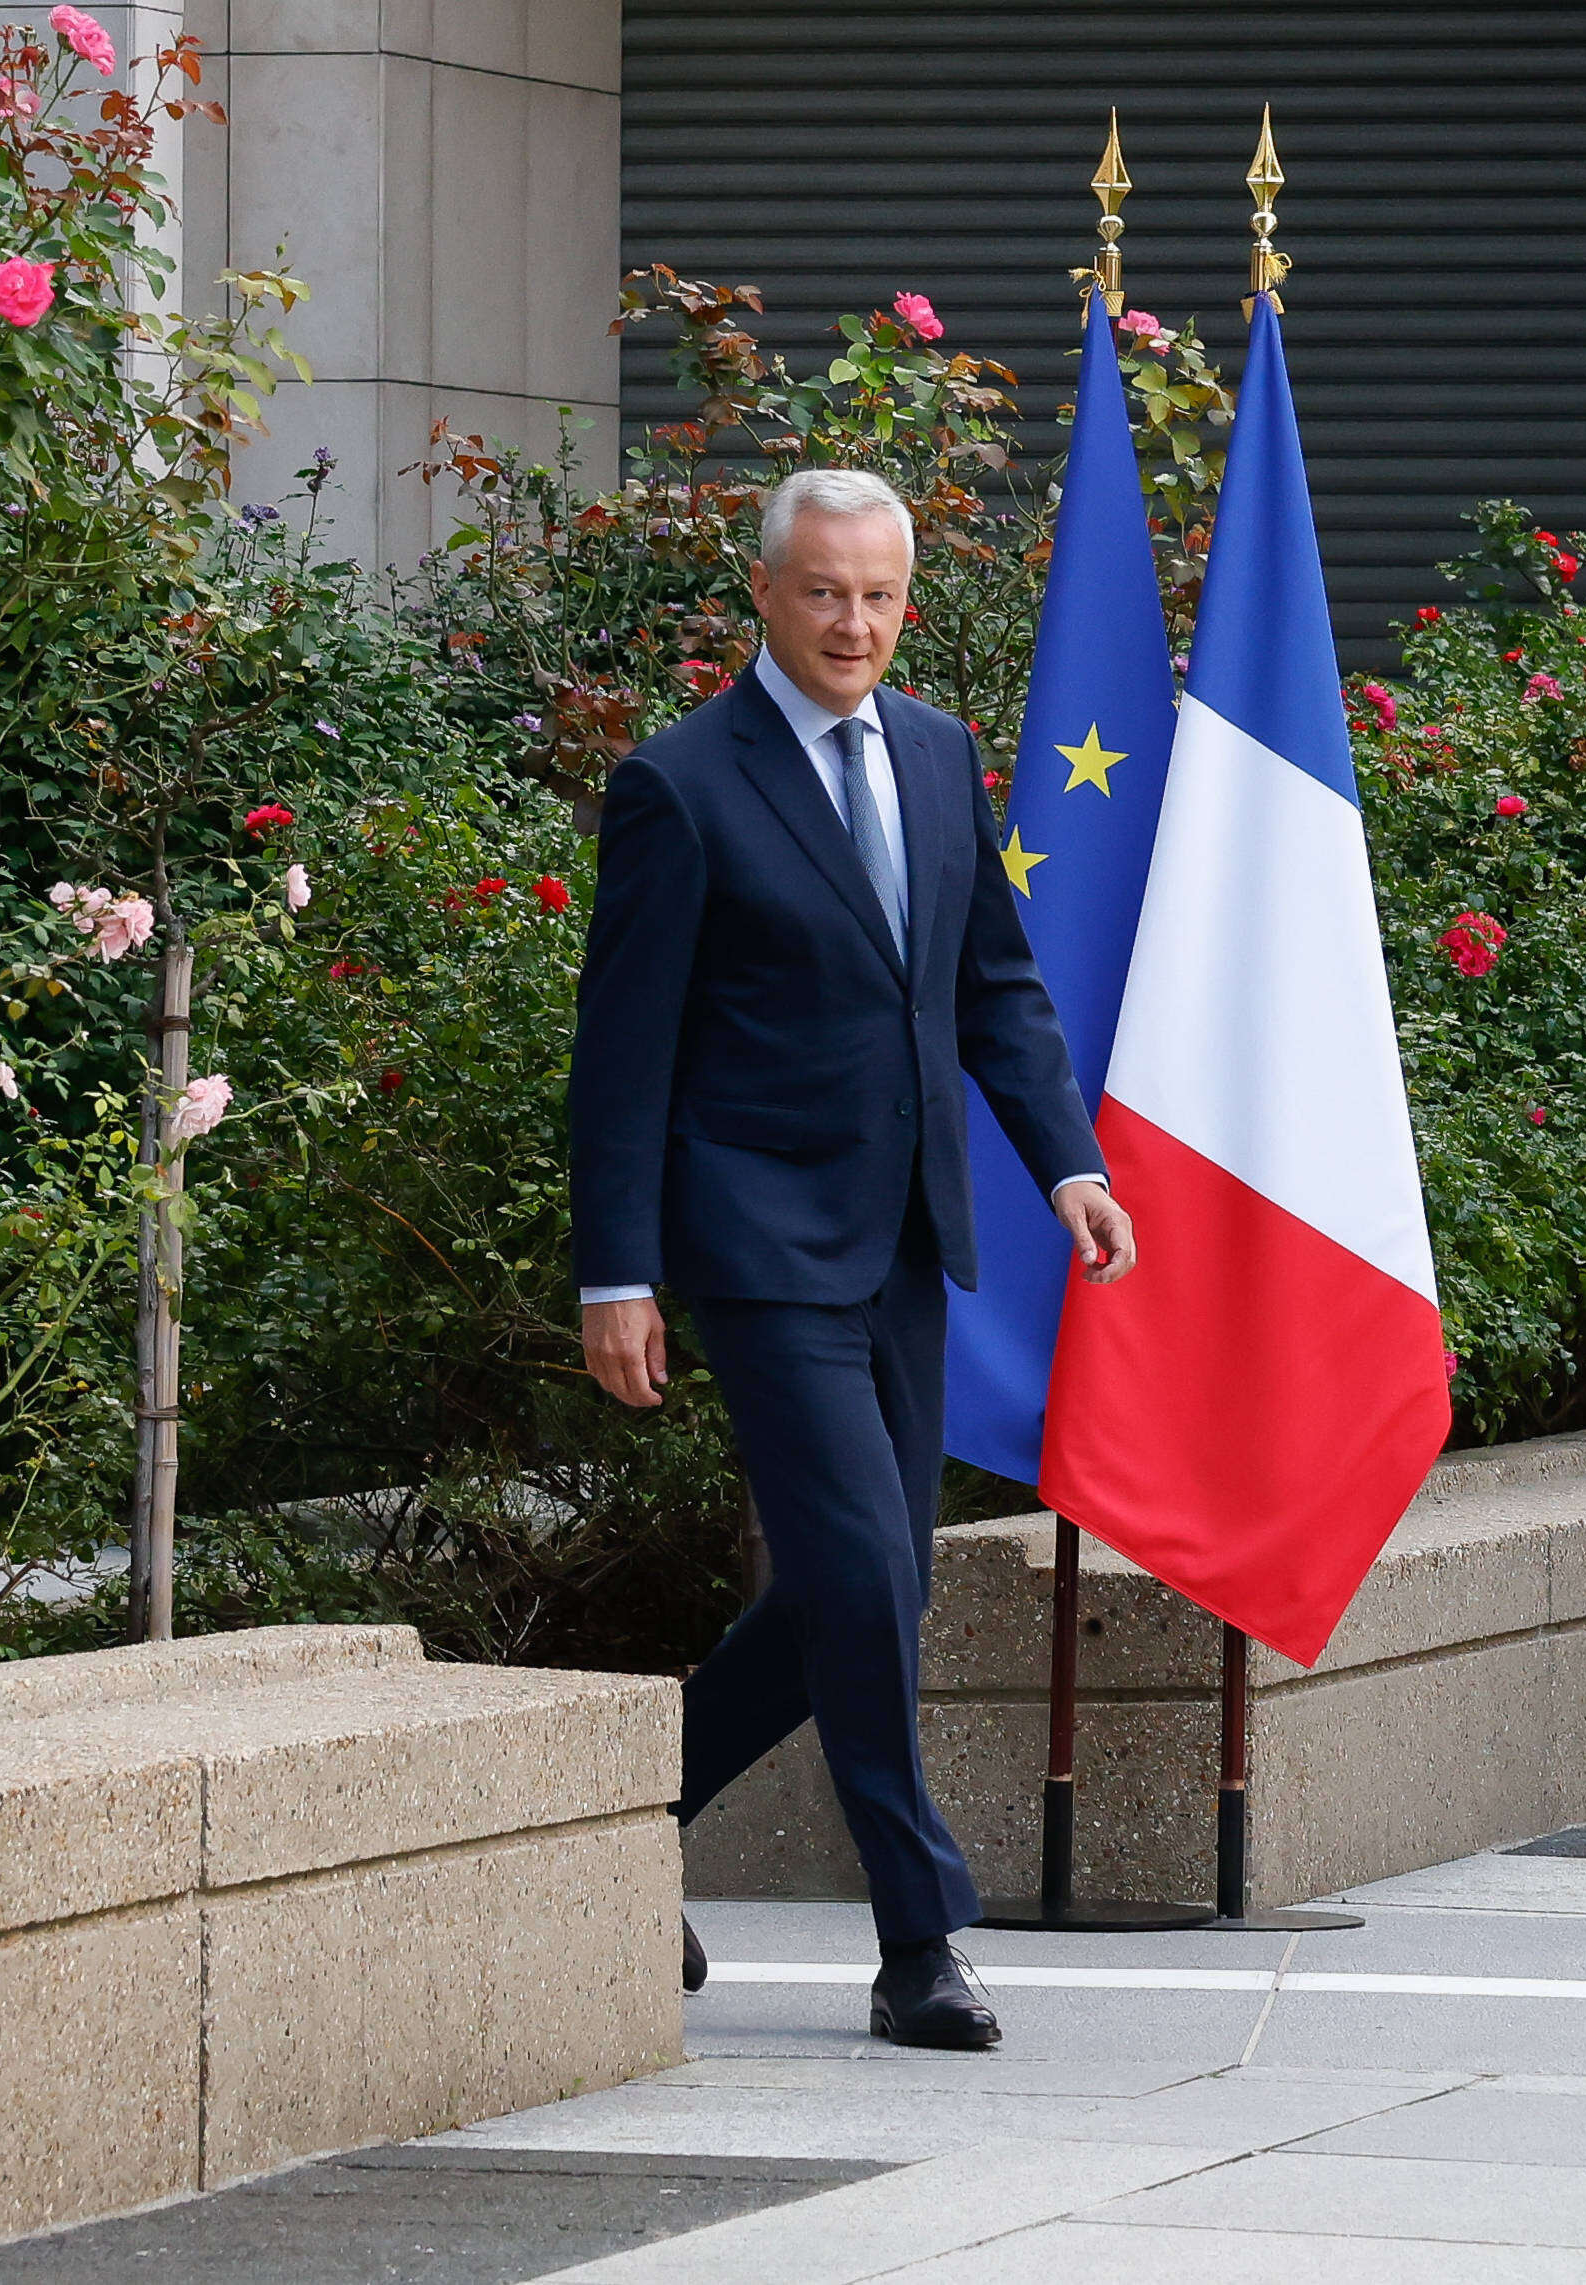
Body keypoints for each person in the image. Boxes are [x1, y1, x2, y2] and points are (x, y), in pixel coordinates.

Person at [567, 466, 1138, 2051]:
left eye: (881, 595)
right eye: (825, 591)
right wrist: (616, 1272)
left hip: (904, 1238)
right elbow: (622, 1062)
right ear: (766, 593)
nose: (855, 623)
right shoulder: (679, 786)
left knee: (853, 1588)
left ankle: (607, 1818)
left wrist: (1069, 1162)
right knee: (869, 1573)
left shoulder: (943, 755)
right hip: (756, 1242)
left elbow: (991, 993)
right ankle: (918, 1939)